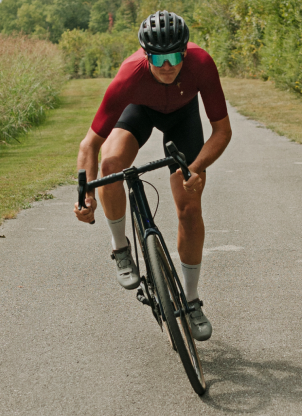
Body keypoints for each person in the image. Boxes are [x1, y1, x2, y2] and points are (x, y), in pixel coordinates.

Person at [73, 10, 231, 341]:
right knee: (109, 166)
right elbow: (89, 145)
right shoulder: (130, 75)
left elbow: (222, 131)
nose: (166, 66)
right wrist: (85, 196)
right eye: (157, 58)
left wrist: (198, 168)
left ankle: (191, 301)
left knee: (189, 208)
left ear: (185, 51)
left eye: (174, 56)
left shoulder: (201, 64)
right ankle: (120, 249)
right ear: (146, 55)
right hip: (139, 112)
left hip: (183, 118)